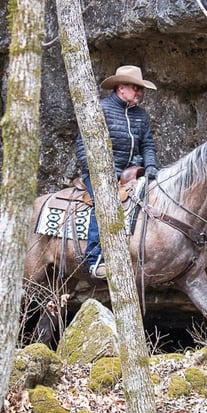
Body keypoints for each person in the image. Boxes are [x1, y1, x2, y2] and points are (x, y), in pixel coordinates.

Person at [75, 65, 160, 280]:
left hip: (132, 173)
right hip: (100, 173)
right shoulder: (100, 109)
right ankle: (94, 260)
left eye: (141, 89)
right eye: (136, 88)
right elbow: (82, 145)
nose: (140, 93)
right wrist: (101, 172)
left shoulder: (141, 115)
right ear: (121, 88)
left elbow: (148, 144)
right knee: (105, 204)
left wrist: (151, 166)